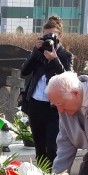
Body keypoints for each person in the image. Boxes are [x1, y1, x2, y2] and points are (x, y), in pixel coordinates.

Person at [20, 16, 72, 166]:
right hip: (35, 105)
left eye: (52, 35)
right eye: (45, 35)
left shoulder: (65, 55)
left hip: (54, 108)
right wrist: (36, 51)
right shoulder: (38, 53)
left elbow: (68, 79)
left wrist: (55, 59)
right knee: (39, 147)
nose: (48, 39)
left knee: (52, 147)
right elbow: (24, 71)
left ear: (60, 36)